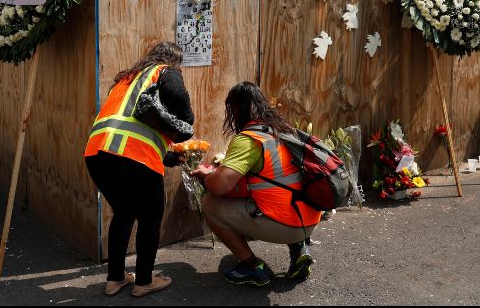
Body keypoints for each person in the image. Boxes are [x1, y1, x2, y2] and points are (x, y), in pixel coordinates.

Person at [84, 41, 194, 297]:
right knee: (150, 219)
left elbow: (131, 126)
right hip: (134, 157)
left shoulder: (128, 79)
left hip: (98, 154)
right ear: (173, 60)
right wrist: (187, 122)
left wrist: (166, 156)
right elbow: (178, 99)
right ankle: (144, 281)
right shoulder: (165, 71)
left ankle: (115, 278)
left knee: (123, 213)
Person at [192, 82, 321, 287]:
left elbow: (219, 187)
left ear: (236, 109)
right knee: (283, 194)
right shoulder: (286, 131)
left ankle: (252, 267)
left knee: (210, 205)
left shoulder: (250, 139)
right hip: (309, 220)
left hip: (285, 225)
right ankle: (299, 252)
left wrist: (207, 175)